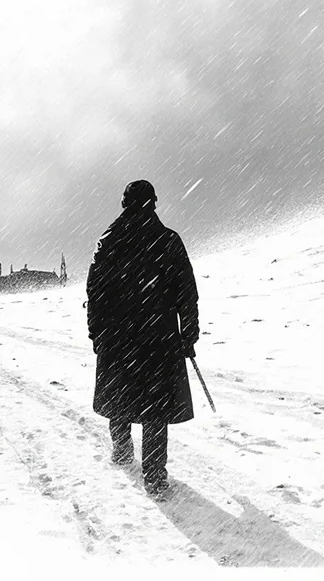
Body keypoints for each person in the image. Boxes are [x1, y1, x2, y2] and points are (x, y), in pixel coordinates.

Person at [87, 180, 199, 498]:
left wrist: (97, 332)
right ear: (154, 202)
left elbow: (95, 293)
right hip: (158, 337)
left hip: (118, 337)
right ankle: (154, 476)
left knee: (119, 396)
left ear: (124, 204)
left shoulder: (108, 241)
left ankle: (122, 451)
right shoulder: (168, 240)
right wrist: (189, 333)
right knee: (155, 408)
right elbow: (186, 291)